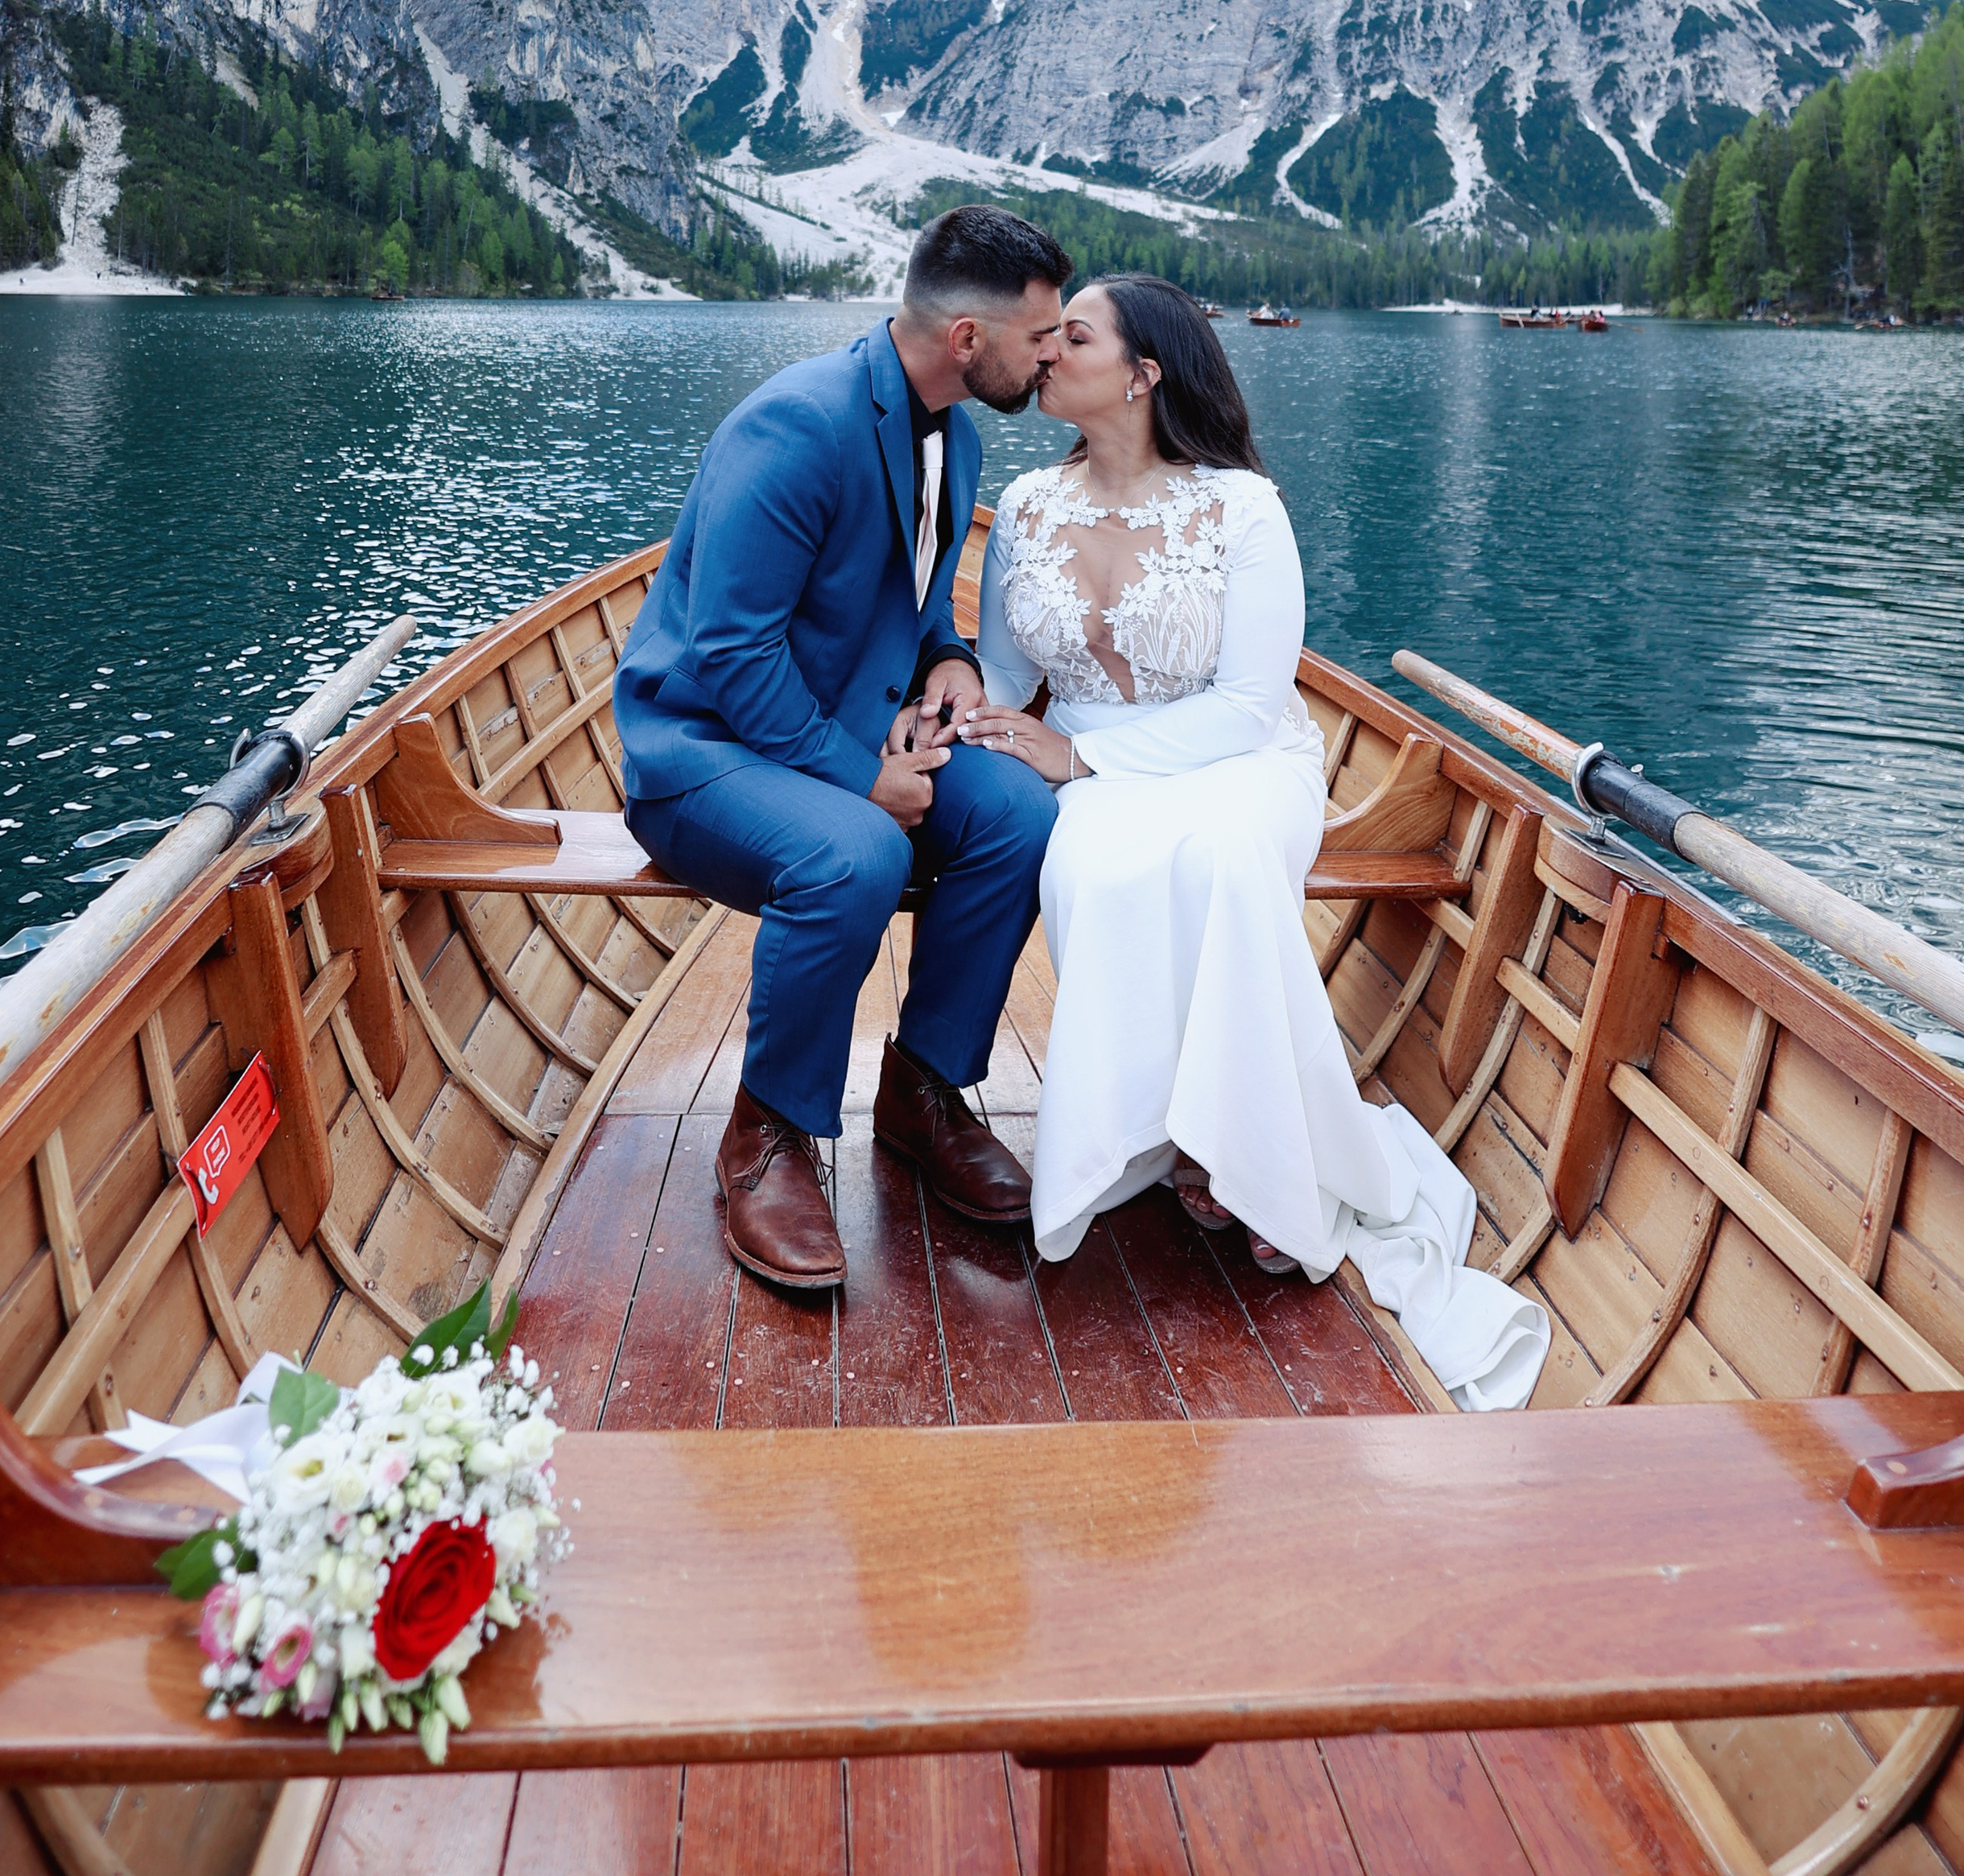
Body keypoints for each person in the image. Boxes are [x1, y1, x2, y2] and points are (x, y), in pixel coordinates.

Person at [956, 274, 1549, 1412]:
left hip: (1237, 761)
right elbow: (1006, 677)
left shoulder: (1239, 507)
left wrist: (1075, 762)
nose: (1044, 352)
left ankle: (1243, 1156)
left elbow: (1246, 705)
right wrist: (962, 712)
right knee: (1090, 864)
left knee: (1221, 861)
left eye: (1071, 337)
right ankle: (1146, 1135)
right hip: (1089, 764)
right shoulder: (1027, 504)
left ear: (1142, 374)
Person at [613, 205, 1073, 1292]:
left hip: (836, 728)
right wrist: (864, 776)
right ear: (967, 341)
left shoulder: (953, 433)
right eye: (1039, 335)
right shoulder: (796, 425)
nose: (1050, 354)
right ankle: (765, 1135)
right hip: (701, 749)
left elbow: (909, 606)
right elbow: (728, 653)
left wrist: (950, 662)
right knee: (853, 853)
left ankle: (922, 1092)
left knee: (1018, 815)